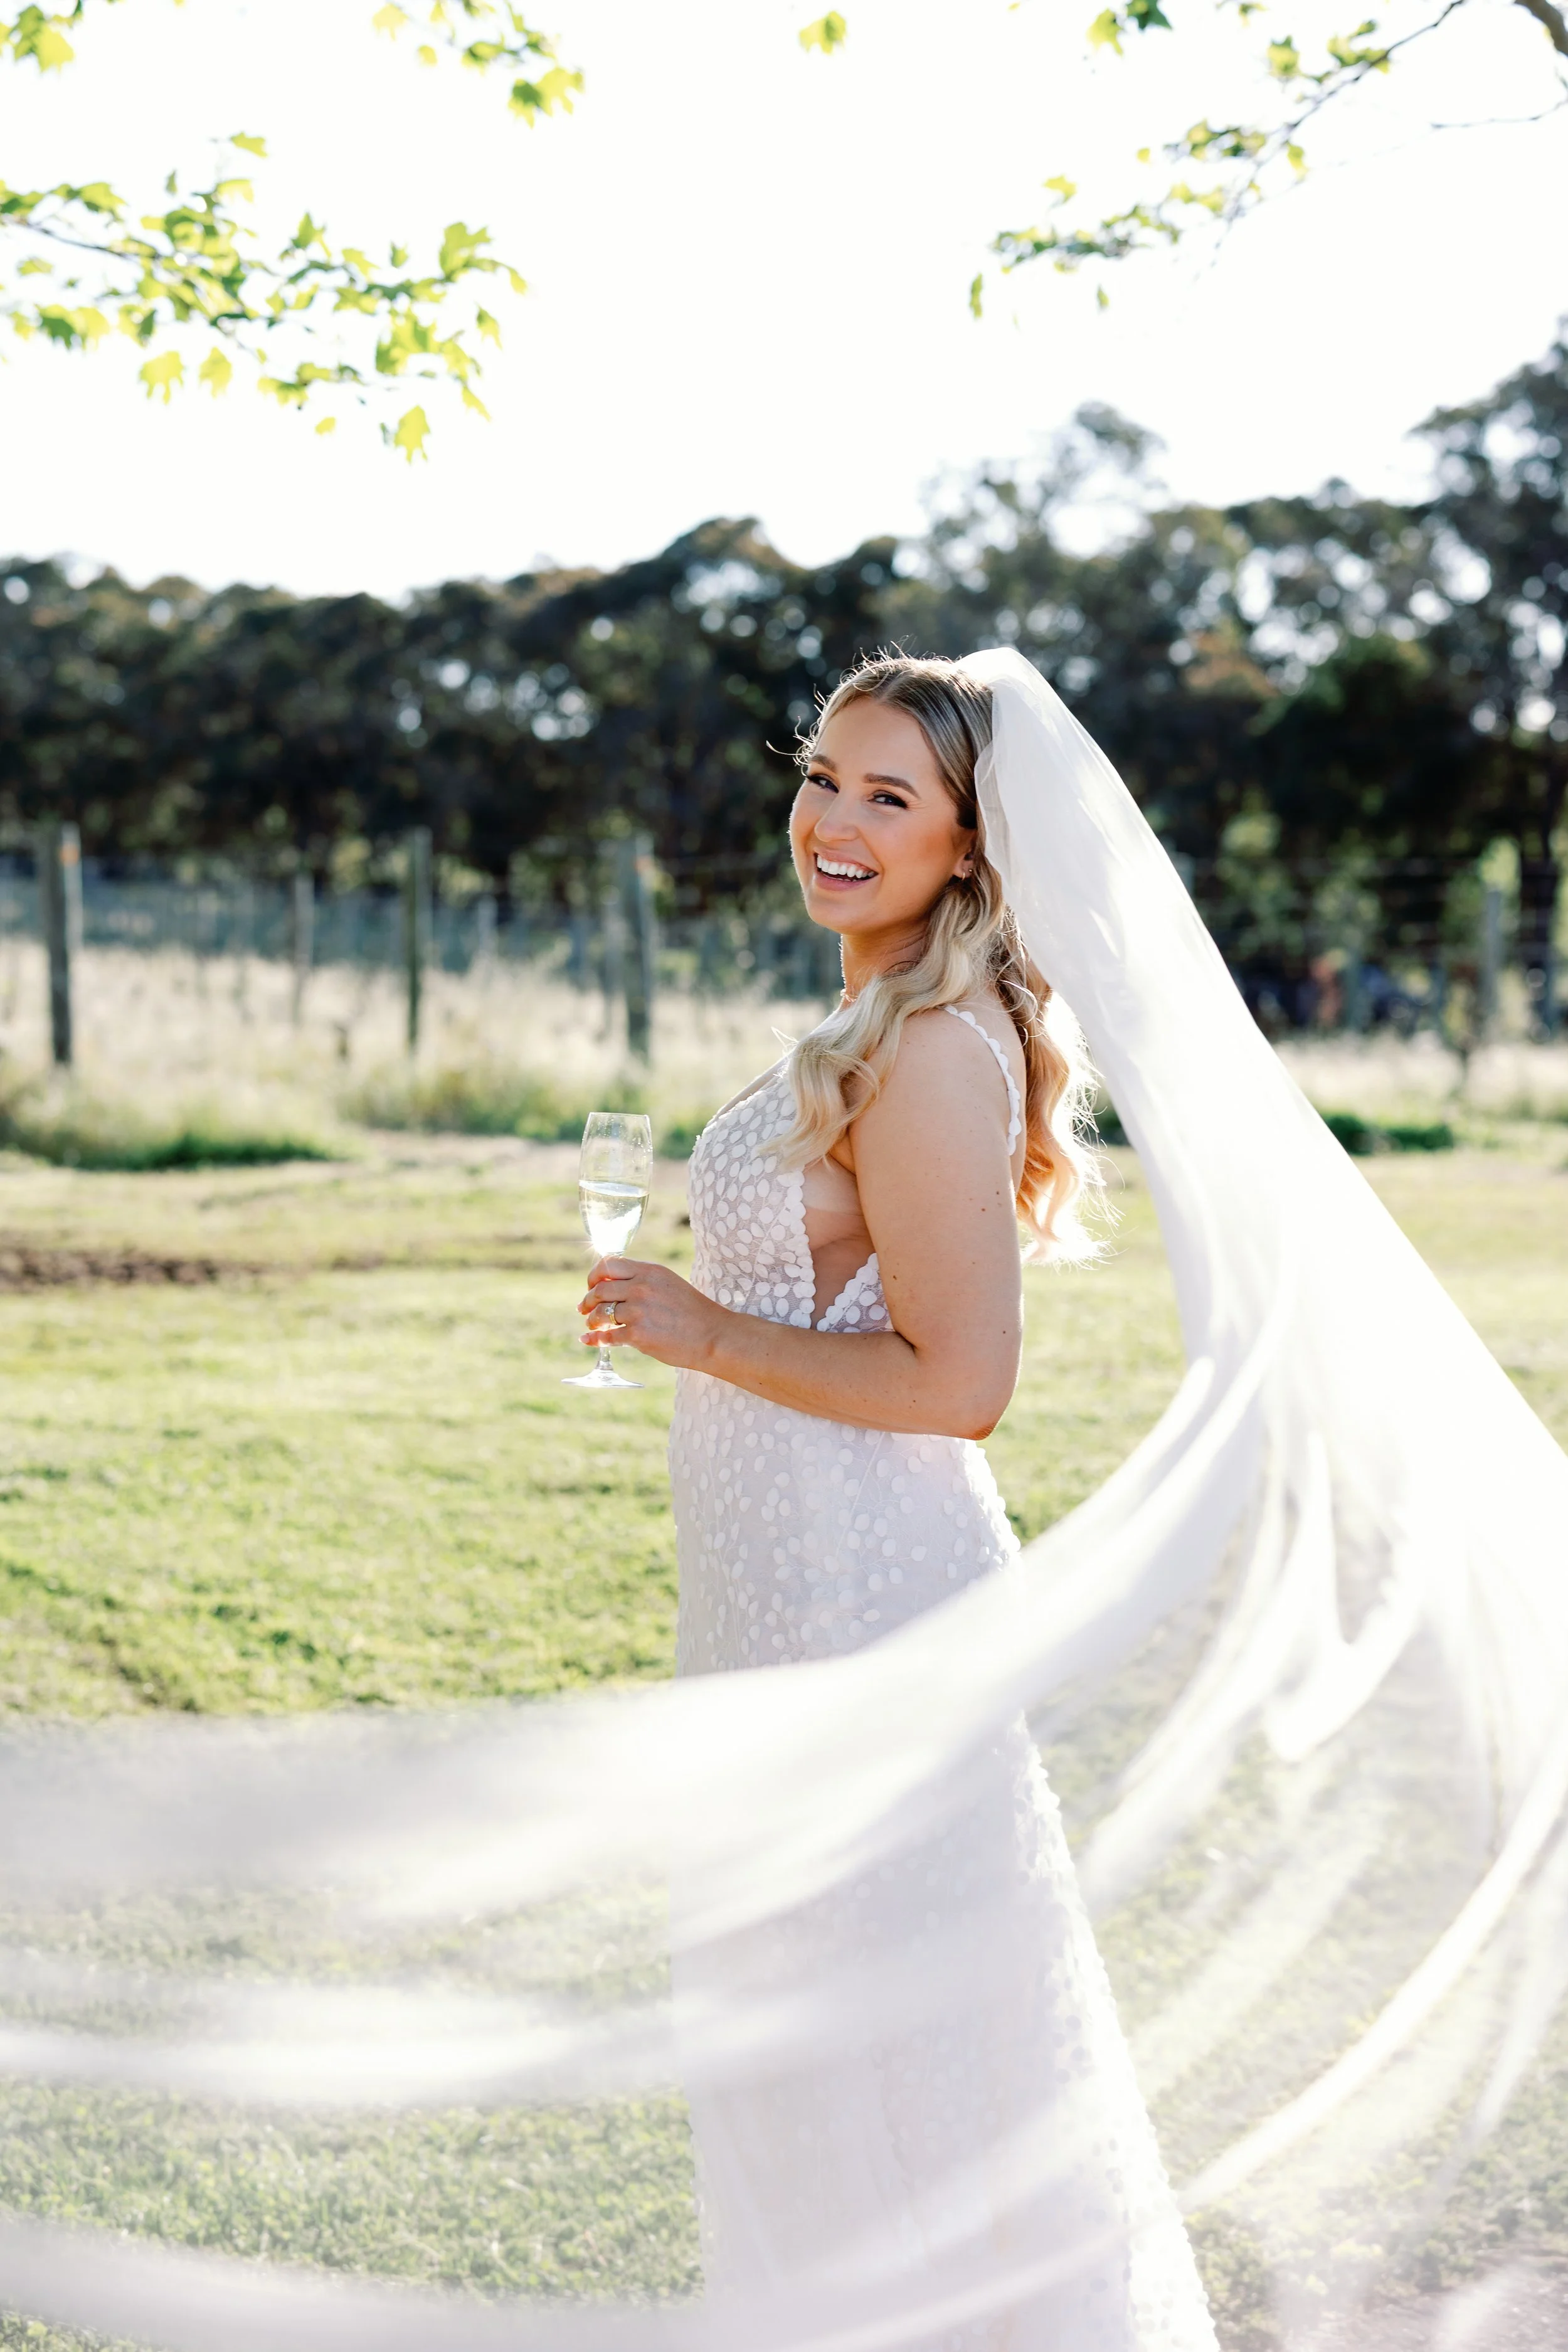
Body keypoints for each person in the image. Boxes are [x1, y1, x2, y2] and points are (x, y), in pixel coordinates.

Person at [580, 655, 1219, 2350]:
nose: (834, 821)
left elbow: (960, 1381)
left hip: (868, 1595)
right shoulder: (863, 1026)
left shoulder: (935, 1051)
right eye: (821, 777)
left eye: (888, 796)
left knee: (897, 2054)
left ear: (965, 845)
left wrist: (702, 1328)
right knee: (795, 2042)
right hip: (769, 1594)